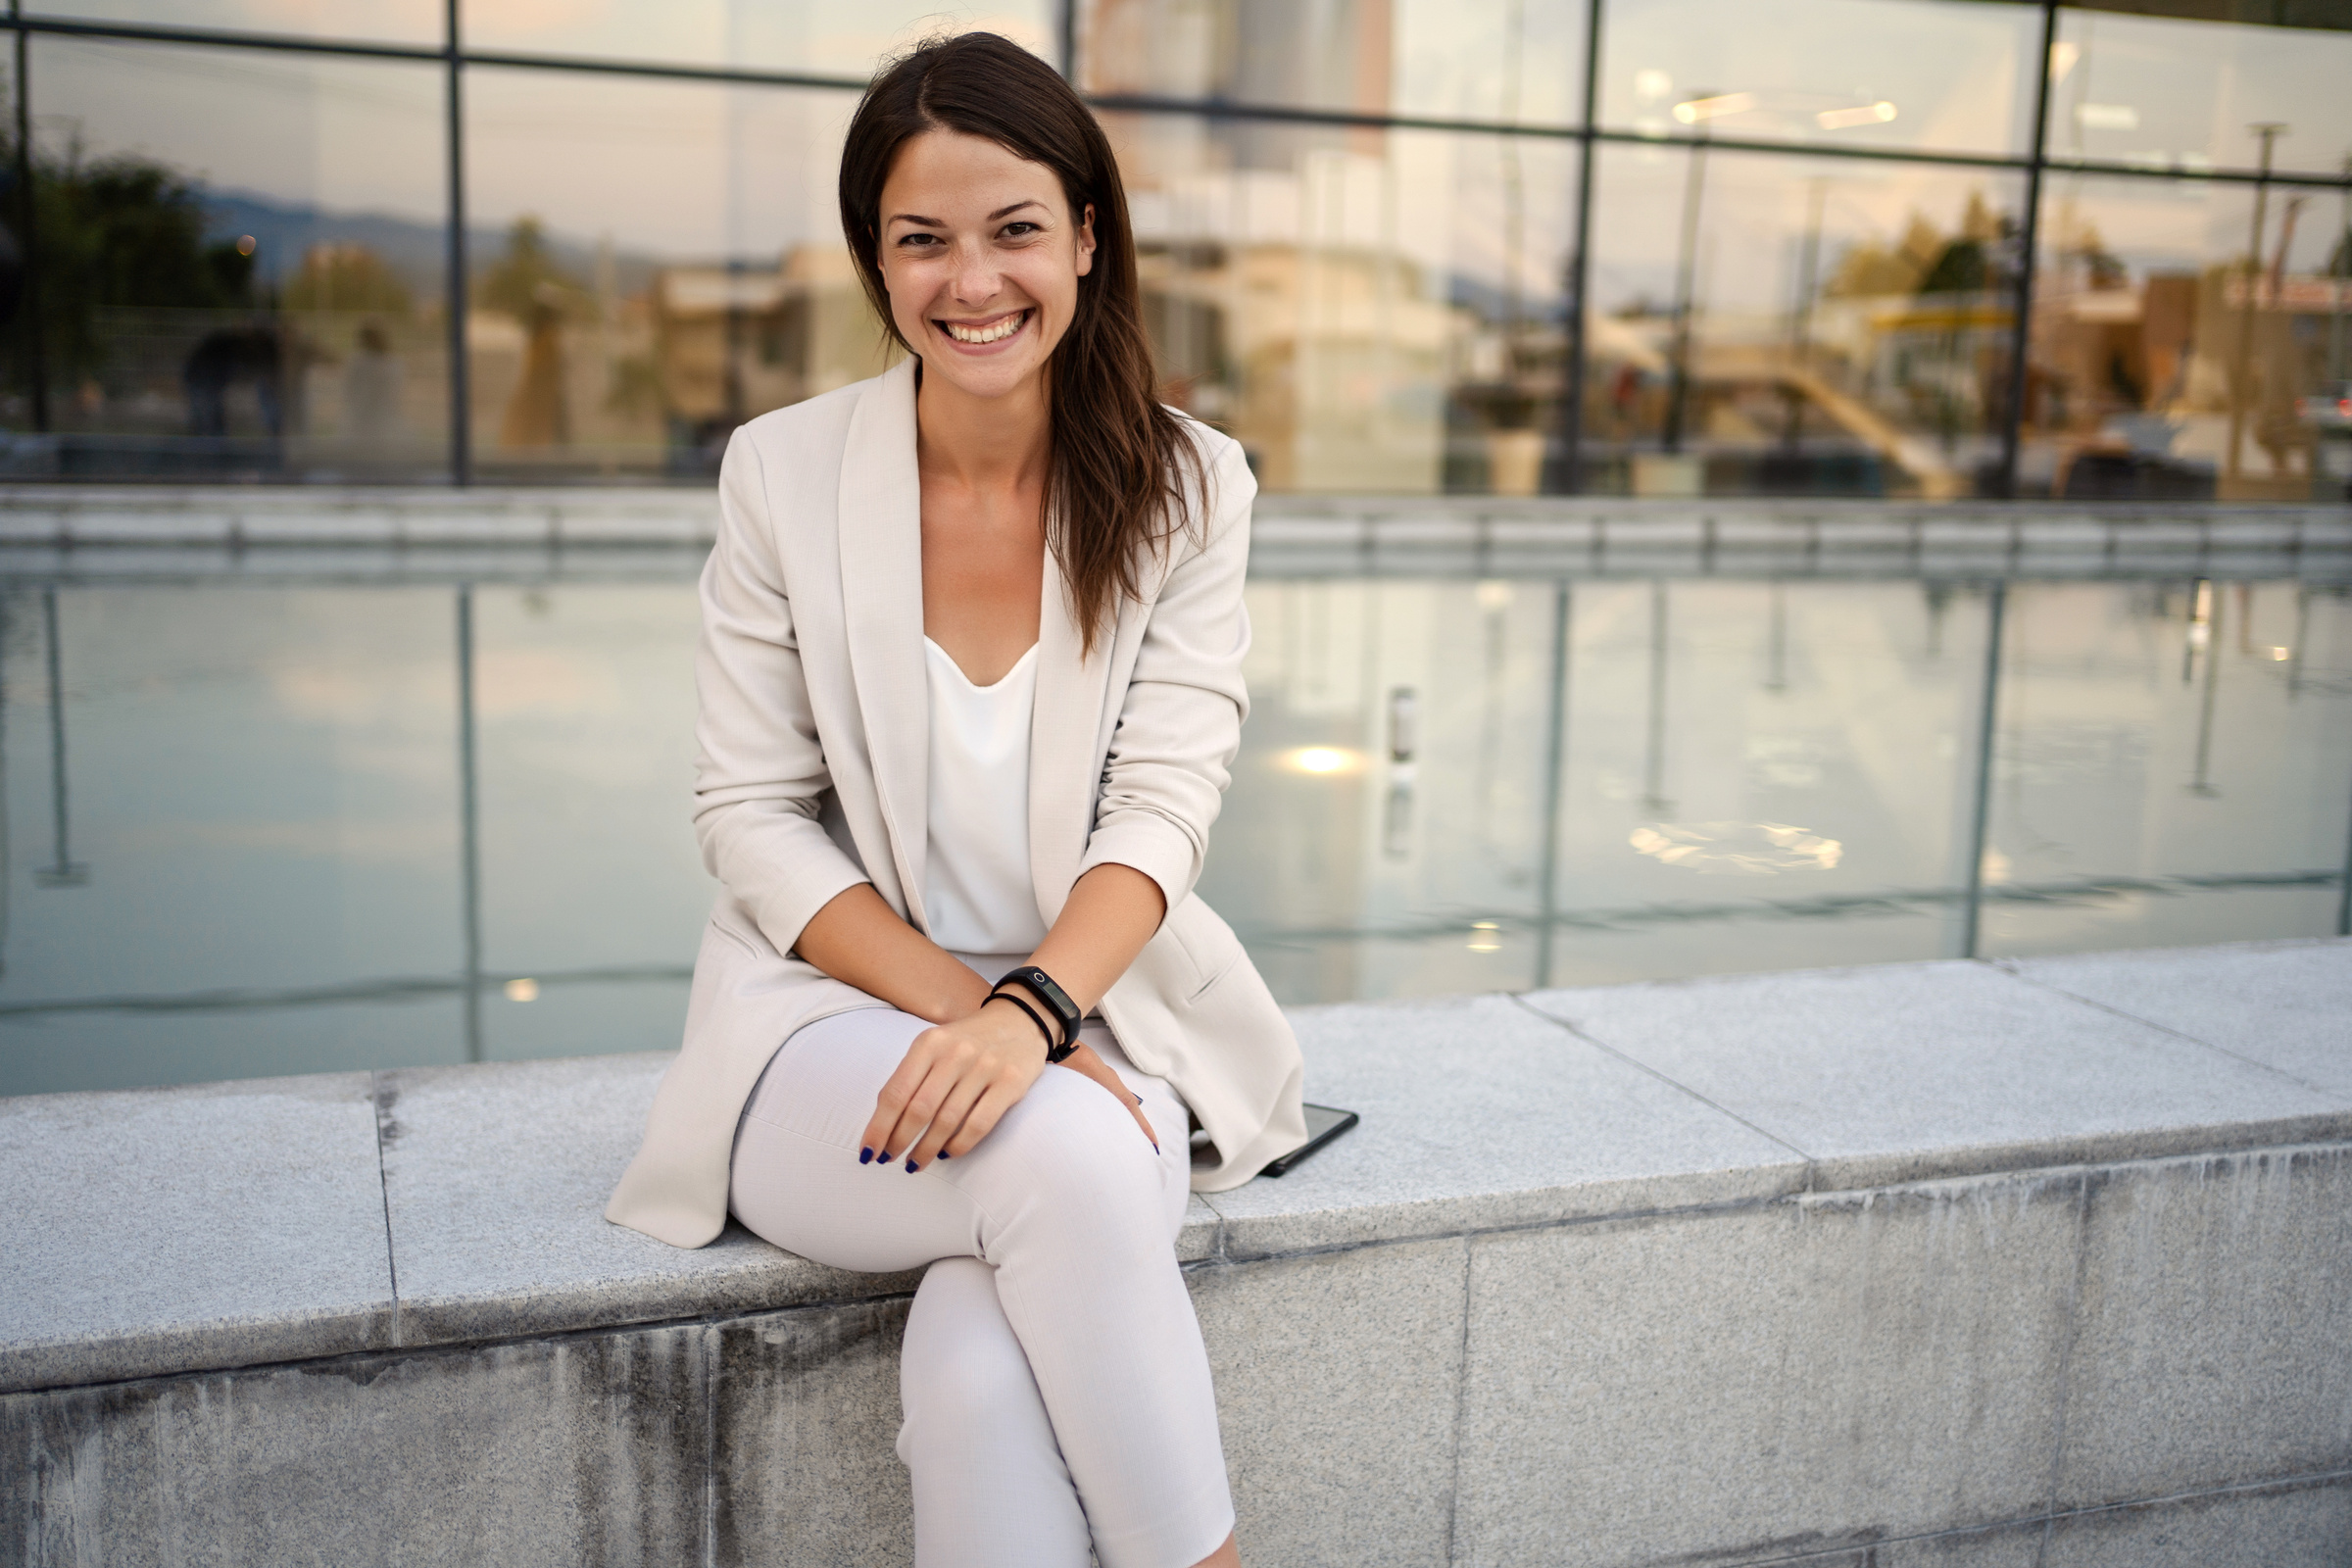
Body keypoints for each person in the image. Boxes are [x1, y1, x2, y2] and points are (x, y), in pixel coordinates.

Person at [604, 31, 1307, 1568]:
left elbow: (1164, 814)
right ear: (875, 259)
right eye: (922, 239)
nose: (971, 281)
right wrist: (967, 1014)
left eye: (1014, 231)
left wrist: (1037, 1012)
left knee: (985, 1369)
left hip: (1100, 1010)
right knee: (1063, 1157)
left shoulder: (1191, 486)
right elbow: (748, 814)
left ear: (1087, 241)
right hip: (827, 1028)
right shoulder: (781, 475)